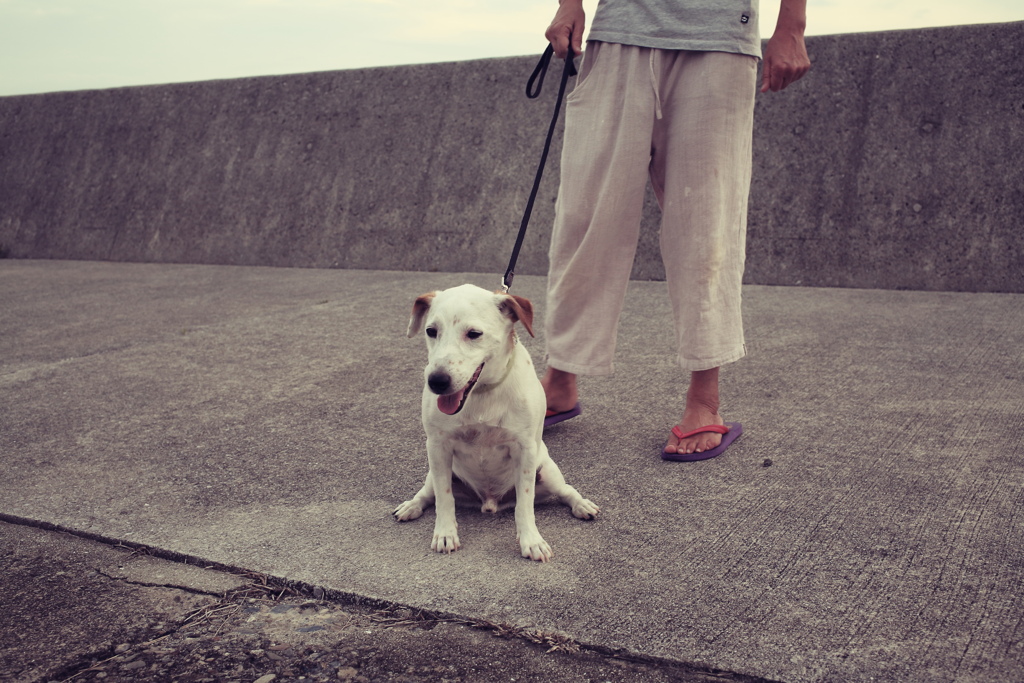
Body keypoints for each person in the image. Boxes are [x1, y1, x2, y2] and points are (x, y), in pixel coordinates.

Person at [539, 0, 810, 458]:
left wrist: (793, 25)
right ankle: (562, 376)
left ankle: (705, 400)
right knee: (585, 219)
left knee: (706, 227)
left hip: (718, 37)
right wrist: (569, 4)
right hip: (620, 30)